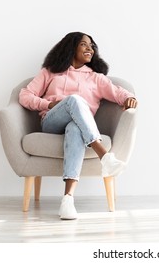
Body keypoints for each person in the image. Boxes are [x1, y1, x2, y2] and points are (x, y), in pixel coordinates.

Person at [18, 32, 138, 220]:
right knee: (74, 100)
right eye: (84, 44)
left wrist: (129, 98)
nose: (90, 48)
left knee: (74, 128)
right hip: (51, 122)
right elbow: (25, 95)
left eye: (92, 46)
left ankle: (67, 200)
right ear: (71, 47)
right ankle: (104, 156)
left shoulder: (95, 78)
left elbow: (117, 93)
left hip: (79, 127)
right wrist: (47, 105)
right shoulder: (50, 72)